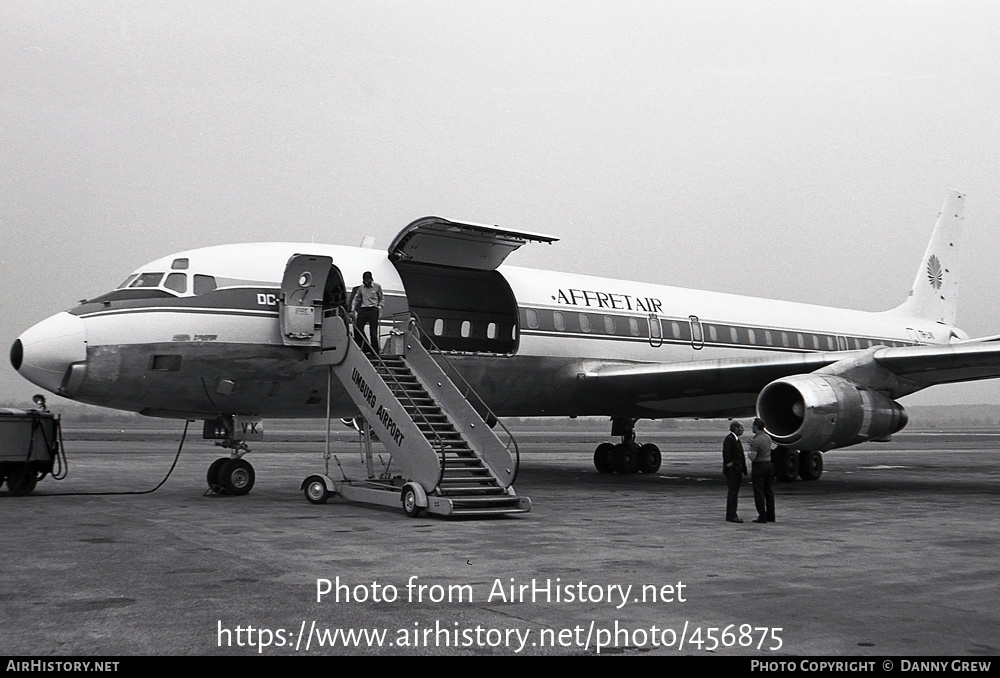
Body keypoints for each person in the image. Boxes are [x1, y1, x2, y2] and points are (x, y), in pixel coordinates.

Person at [748, 418, 776, 523]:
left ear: (756, 427)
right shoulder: (767, 437)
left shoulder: (756, 440)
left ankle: (762, 516)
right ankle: (771, 516)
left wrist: (750, 449)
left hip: (759, 466)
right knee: (769, 491)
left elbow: (753, 457)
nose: (752, 428)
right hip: (769, 465)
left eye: (753, 426)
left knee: (759, 492)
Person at [352, 271, 383, 354]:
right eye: (365, 280)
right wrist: (353, 308)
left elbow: (381, 298)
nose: (366, 282)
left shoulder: (377, 286)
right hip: (363, 309)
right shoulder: (361, 288)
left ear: (371, 279)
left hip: (373, 309)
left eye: (368, 280)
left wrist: (380, 307)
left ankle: (375, 351)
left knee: (373, 331)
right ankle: (366, 347)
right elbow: (356, 298)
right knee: (358, 328)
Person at [722, 420, 747, 523]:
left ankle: (731, 515)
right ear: (735, 428)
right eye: (741, 428)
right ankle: (732, 515)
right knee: (733, 492)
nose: (743, 430)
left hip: (736, 470)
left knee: (734, 492)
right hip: (733, 471)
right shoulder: (729, 439)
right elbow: (726, 454)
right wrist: (731, 466)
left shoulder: (735, 439)